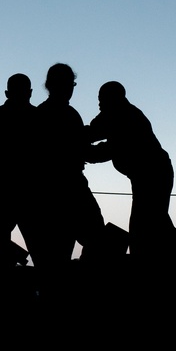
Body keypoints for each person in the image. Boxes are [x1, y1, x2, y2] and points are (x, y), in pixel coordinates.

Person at [86, 81, 176, 270]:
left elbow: (105, 147)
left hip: (154, 175)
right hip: (147, 176)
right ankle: (174, 266)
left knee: (150, 222)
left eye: (102, 100)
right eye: (99, 101)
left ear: (113, 98)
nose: (99, 105)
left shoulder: (124, 115)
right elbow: (93, 132)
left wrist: (79, 150)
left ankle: (175, 267)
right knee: (152, 222)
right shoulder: (115, 113)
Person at [32, 63, 106, 273]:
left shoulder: (42, 114)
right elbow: (83, 151)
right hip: (68, 189)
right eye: (69, 84)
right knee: (95, 239)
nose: (71, 89)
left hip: (51, 192)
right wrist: (113, 149)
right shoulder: (66, 115)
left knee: (58, 255)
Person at [0, 73, 37, 267]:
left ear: (7, 93)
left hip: (4, 190)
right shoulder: (37, 118)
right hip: (29, 191)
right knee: (41, 250)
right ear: (30, 93)